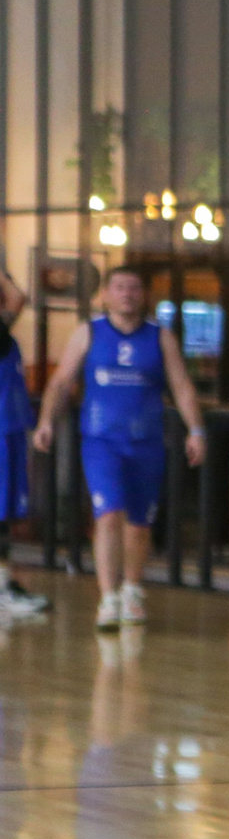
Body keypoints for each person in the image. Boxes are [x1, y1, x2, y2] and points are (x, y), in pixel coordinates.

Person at [32, 264, 205, 631]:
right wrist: (47, 420)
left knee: (139, 526)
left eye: (134, 288)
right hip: (101, 441)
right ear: (106, 294)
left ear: (143, 295)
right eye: (120, 287)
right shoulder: (89, 334)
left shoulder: (160, 338)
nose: (127, 294)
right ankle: (108, 597)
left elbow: (182, 386)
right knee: (108, 515)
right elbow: (62, 382)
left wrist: (196, 430)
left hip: (146, 443)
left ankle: (132, 590)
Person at [0, 263, 50, 619]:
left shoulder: (6, 337)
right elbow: (18, 297)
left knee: (6, 516)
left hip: (11, 432)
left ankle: (4, 585)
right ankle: (3, 588)